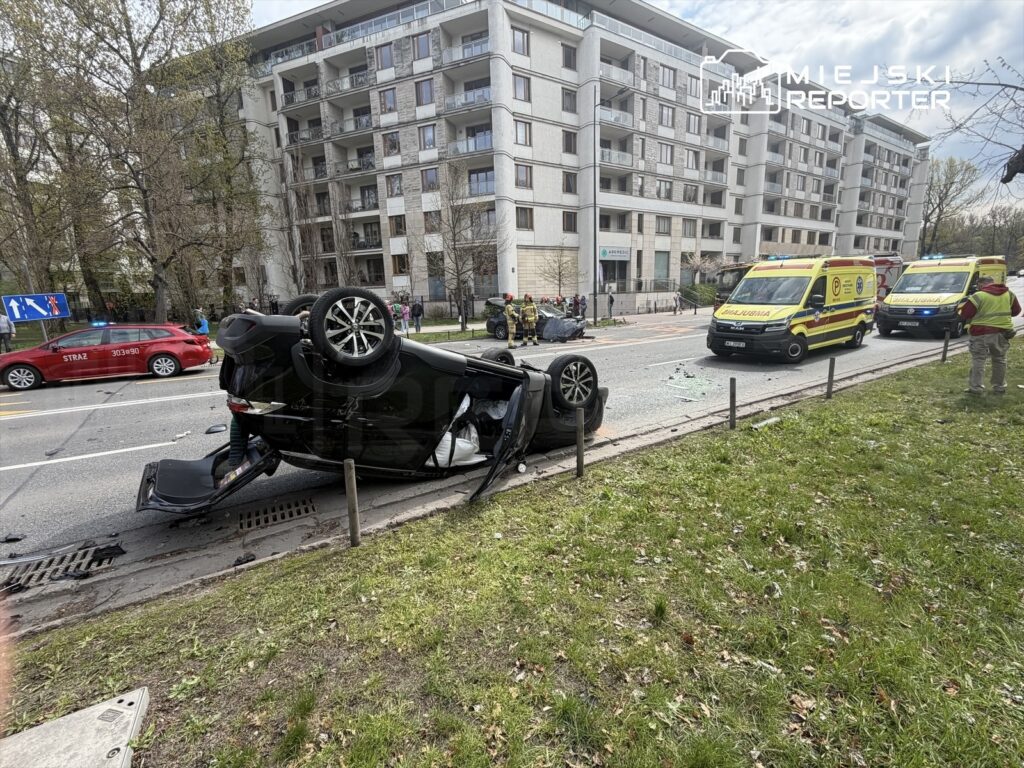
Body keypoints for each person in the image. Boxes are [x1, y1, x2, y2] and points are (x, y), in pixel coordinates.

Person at [958, 275, 1020, 395]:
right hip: (1002, 333)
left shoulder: (978, 296)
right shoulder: (1009, 294)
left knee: (979, 360)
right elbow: (1016, 311)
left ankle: (976, 388)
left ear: (981, 284)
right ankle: (999, 386)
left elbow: (965, 314)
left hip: (980, 333)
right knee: (1000, 359)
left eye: (978, 286)